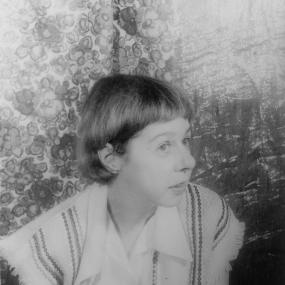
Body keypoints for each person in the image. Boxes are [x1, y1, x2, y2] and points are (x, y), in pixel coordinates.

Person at [0, 74, 245, 285]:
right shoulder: (48, 248)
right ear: (112, 158)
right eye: (164, 146)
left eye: (185, 140)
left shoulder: (209, 214)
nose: (188, 162)